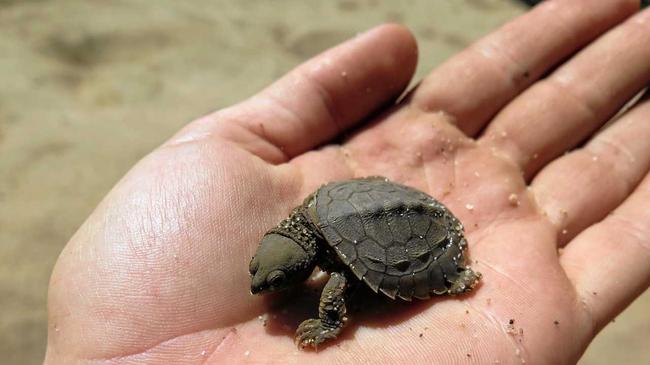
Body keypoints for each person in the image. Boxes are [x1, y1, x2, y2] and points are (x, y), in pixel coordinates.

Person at [44, 0, 650, 363]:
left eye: (271, 277)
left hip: (412, 227)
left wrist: (330, 320)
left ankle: (452, 273)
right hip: (387, 204)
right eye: (266, 275)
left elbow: (338, 279)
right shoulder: (310, 209)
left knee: (438, 281)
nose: (263, 286)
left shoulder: (327, 259)